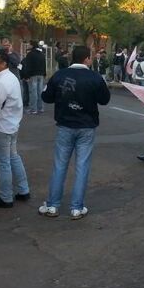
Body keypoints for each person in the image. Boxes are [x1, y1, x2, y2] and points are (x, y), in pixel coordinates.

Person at [38, 46, 111, 219]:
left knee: (60, 165)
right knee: (82, 166)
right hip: (86, 126)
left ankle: (52, 205)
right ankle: (77, 207)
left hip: (65, 124)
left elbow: (46, 97)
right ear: (86, 59)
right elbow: (105, 100)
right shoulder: (95, 77)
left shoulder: (60, 75)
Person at [0, 49, 31, 208]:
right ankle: (23, 190)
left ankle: (5, 197)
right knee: (13, 158)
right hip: (10, 125)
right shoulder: (10, 77)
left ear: (3, 63)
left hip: (0, 127)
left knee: (3, 163)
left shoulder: (1, 82)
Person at [25, 40, 47, 114]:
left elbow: (27, 66)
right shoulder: (41, 54)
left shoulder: (30, 54)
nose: (28, 45)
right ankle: (40, 108)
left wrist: (26, 76)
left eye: (29, 44)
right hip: (41, 74)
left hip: (33, 74)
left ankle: (33, 109)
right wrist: (44, 74)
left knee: (33, 92)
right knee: (40, 91)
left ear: (32, 45)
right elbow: (44, 64)